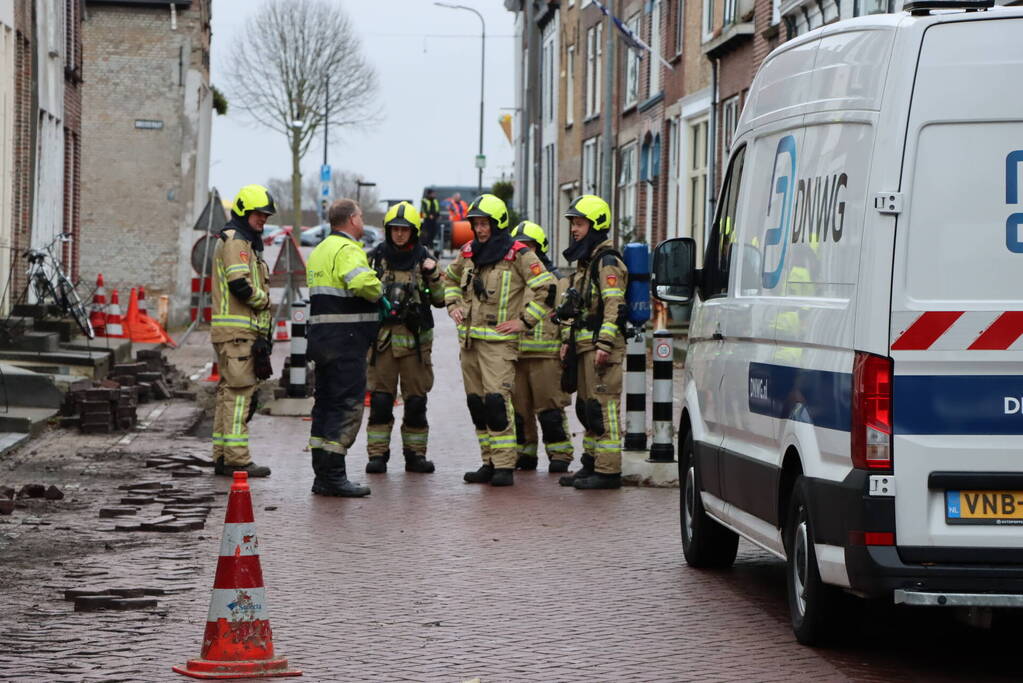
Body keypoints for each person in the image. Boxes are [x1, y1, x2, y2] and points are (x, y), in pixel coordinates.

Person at [443, 194, 556, 487]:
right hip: (469, 343)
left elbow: (547, 289)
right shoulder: (468, 251)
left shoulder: (518, 253)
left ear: (499, 223)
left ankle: (505, 465)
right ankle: (488, 462)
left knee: (496, 402)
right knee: (477, 404)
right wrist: (453, 304)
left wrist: (524, 321)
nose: (480, 230)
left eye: (485, 224)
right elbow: (450, 280)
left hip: (498, 345)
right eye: (476, 224)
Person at [305, 199, 382, 497]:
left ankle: (322, 475)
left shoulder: (321, 249)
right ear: (351, 219)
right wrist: (380, 288)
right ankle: (335, 475)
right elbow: (363, 283)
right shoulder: (348, 250)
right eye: (361, 217)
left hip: (322, 340)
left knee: (323, 406)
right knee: (346, 406)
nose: (362, 222)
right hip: (346, 342)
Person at [365, 201, 445, 474]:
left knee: (415, 403)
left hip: (415, 345)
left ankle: (415, 456)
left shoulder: (426, 259)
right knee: (380, 402)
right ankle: (377, 456)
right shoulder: (375, 259)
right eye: (395, 229)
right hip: (383, 344)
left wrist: (433, 275)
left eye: (405, 230)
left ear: (415, 231)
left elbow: (441, 300)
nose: (399, 234)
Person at [557, 195, 629, 490]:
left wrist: (604, 344)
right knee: (587, 409)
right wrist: (567, 341)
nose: (574, 229)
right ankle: (591, 464)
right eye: (573, 223)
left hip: (602, 350)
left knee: (603, 409)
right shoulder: (587, 262)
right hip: (584, 347)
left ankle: (608, 471)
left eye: (580, 223)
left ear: (596, 224)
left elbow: (614, 306)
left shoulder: (606, 262)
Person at [210, 185, 276, 478]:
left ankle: (224, 457)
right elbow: (240, 284)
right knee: (239, 396)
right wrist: (264, 300)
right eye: (258, 214)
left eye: (265, 215)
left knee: (228, 394)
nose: (263, 219)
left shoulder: (244, 241)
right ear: (243, 212)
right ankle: (237, 460)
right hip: (237, 335)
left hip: (236, 334)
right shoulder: (237, 241)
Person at [508, 221, 574, 473]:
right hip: (516, 353)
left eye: (529, 247)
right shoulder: (512, 280)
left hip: (547, 355)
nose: (525, 252)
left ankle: (559, 455)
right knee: (519, 410)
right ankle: (524, 455)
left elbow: (567, 316)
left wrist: (567, 342)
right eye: (520, 247)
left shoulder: (556, 281)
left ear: (540, 248)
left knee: (550, 408)